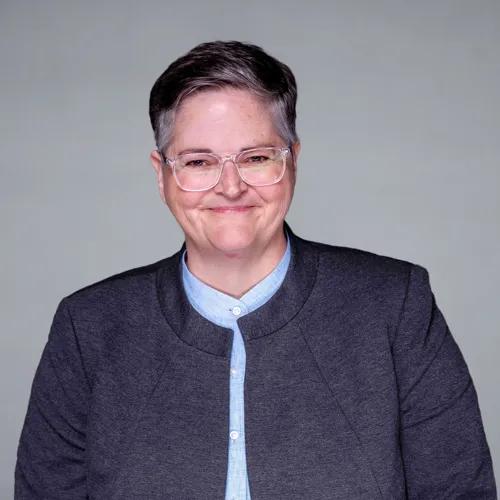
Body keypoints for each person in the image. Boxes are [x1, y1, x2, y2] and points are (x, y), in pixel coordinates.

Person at [15, 40, 496, 499]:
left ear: (293, 161)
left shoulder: (394, 307)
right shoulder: (89, 328)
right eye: (199, 161)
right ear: (162, 175)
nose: (230, 186)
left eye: (257, 157)